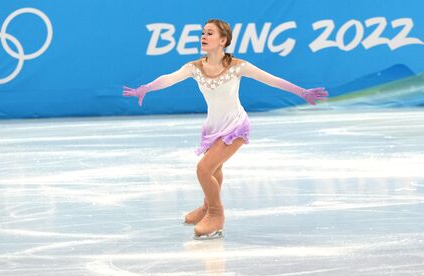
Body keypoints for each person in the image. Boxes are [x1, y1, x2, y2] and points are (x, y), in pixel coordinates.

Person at [122, 19, 328, 240]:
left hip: (236, 127)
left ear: (223, 40)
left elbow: (272, 80)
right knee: (214, 171)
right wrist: (146, 88)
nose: (203, 36)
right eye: (202, 33)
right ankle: (205, 207)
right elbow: (169, 79)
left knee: (203, 170)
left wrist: (302, 92)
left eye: (209, 33)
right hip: (213, 128)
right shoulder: (195, 68)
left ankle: (215, 214)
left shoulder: (238, 66)